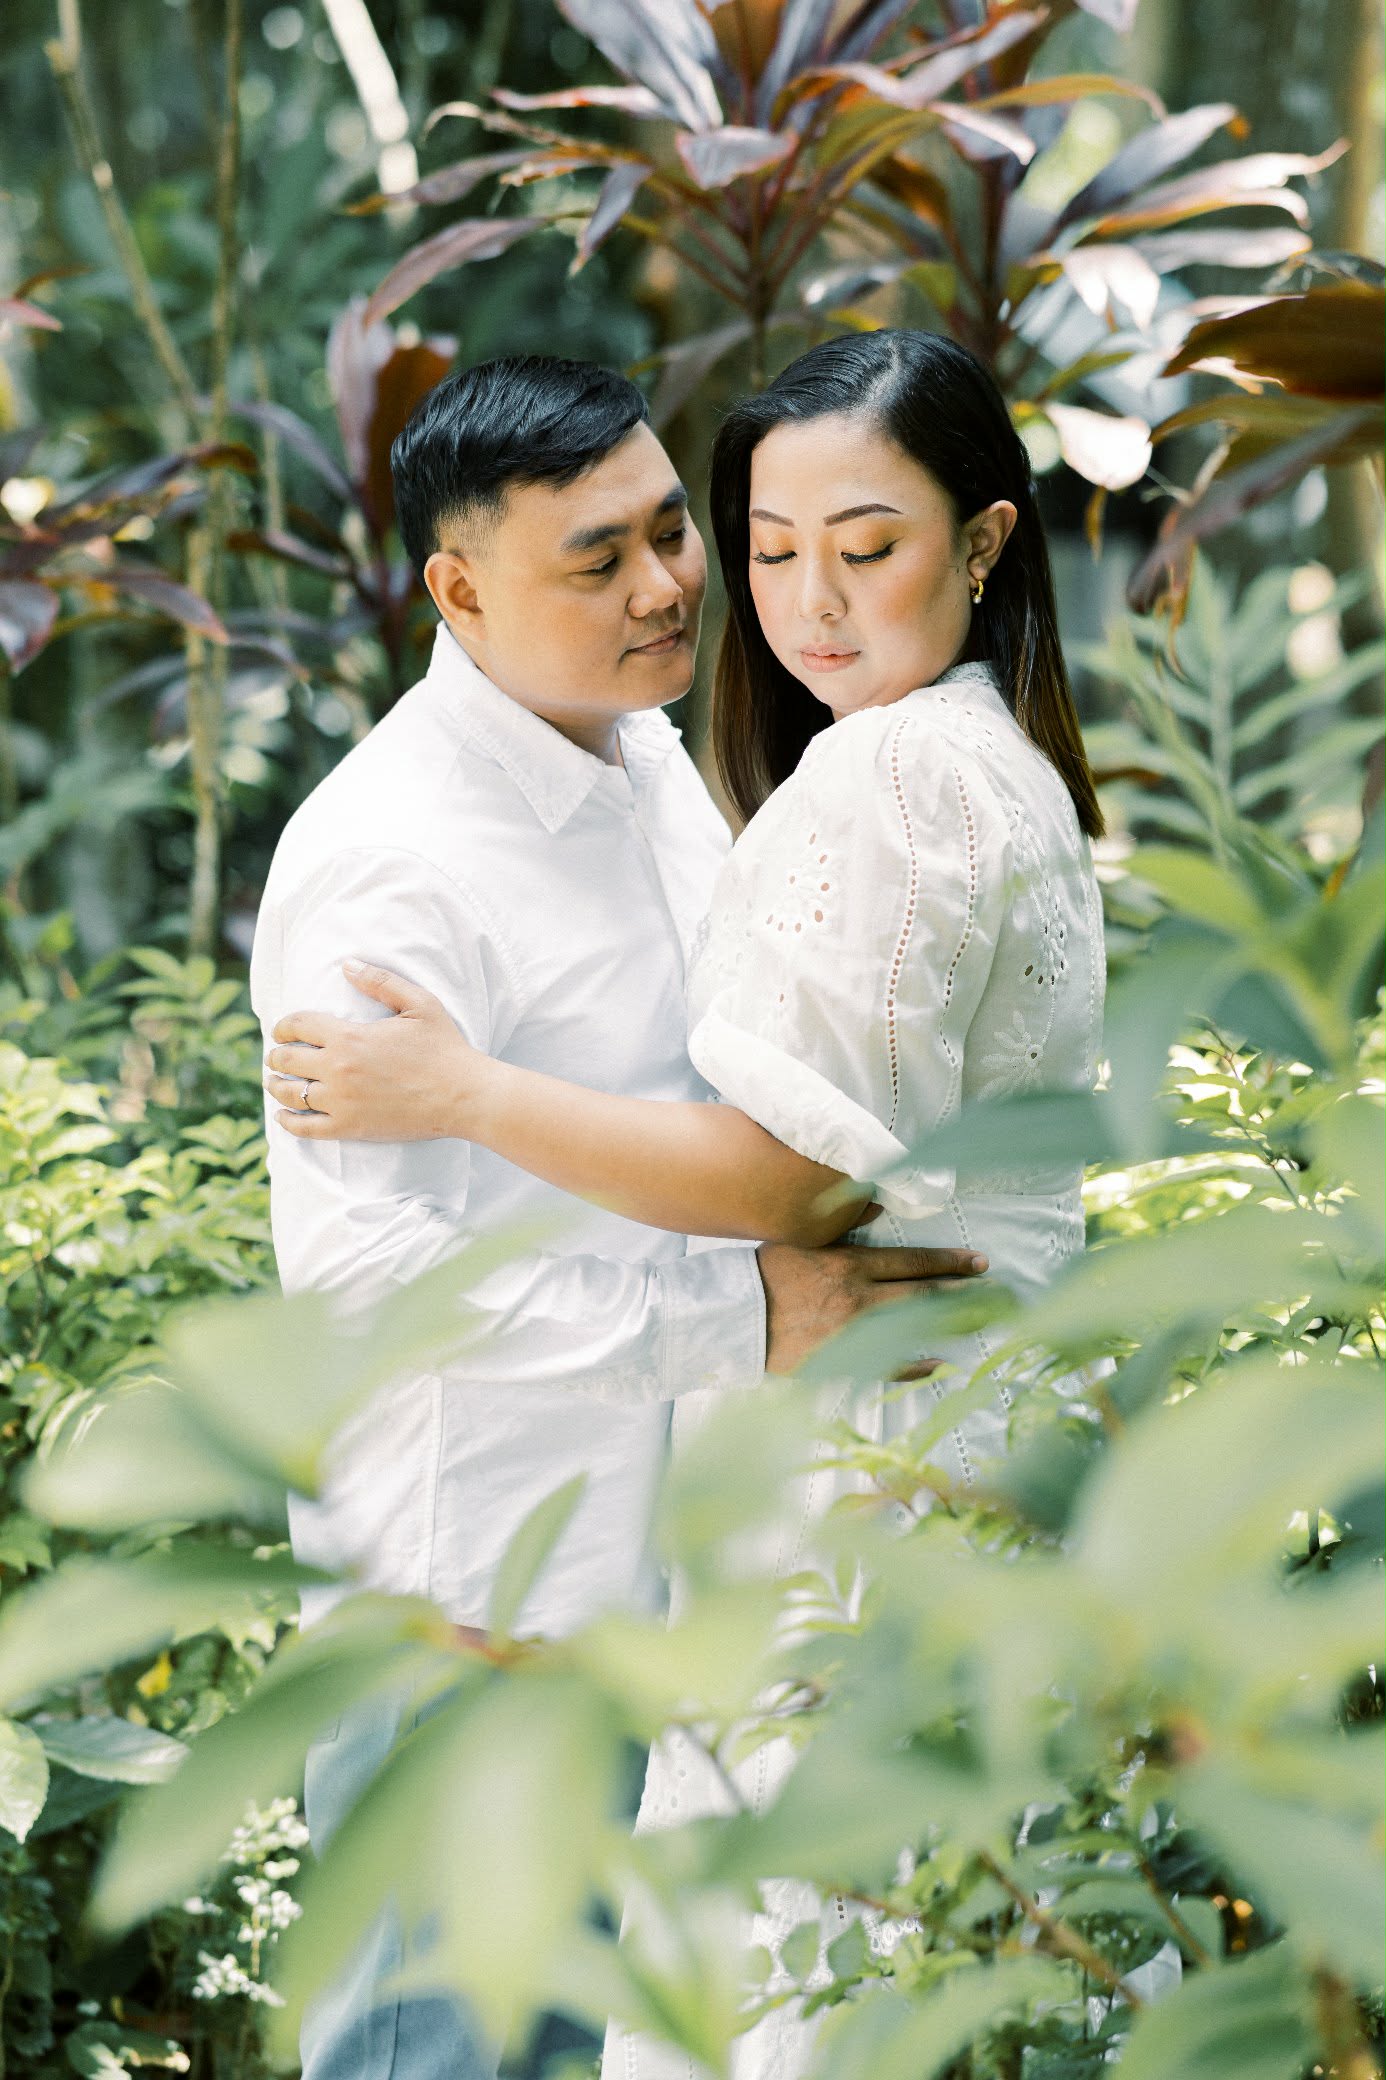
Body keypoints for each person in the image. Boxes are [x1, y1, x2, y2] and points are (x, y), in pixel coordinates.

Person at [250, 350, 982, 2080]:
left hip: (650, 1564)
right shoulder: (386, 861)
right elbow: (365, 1290)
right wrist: (742, 1320)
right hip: (473, 1591)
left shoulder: (648, 755)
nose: (665, 586)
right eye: (598, 558)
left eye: (670, 530)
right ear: (458, 587)